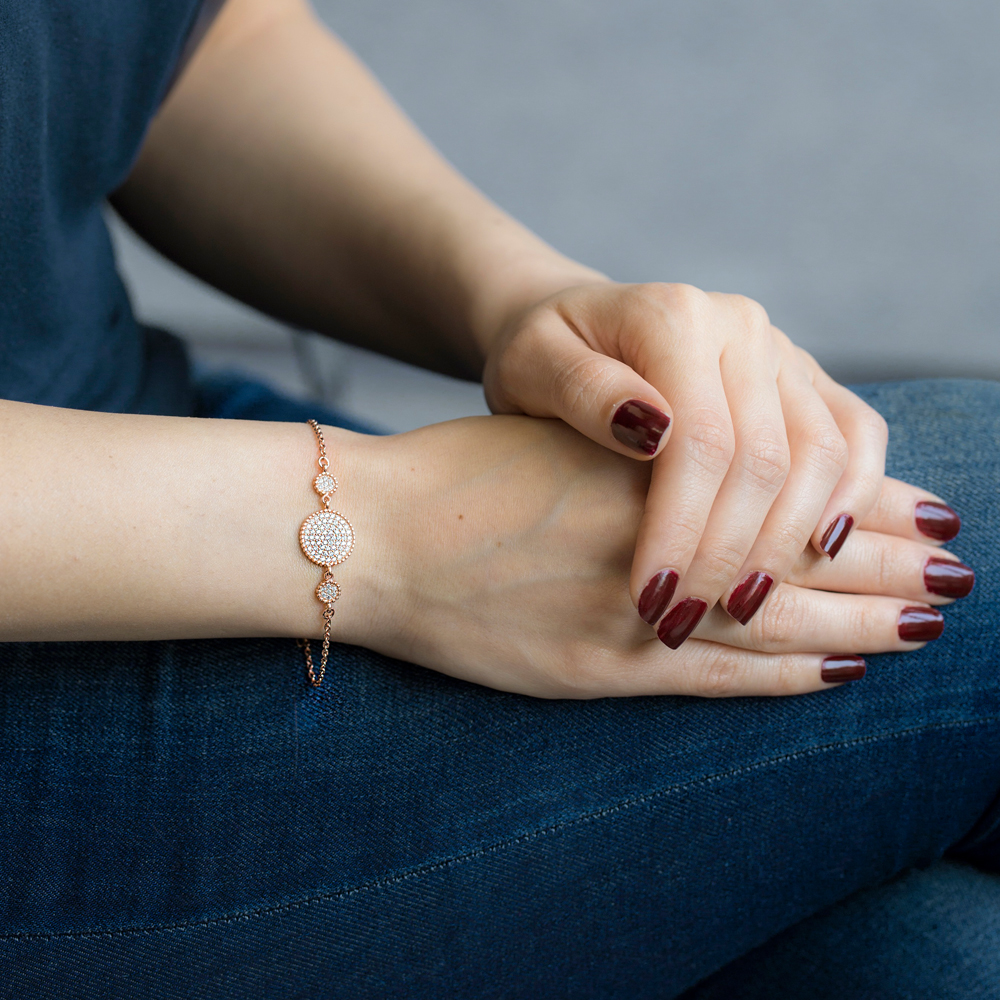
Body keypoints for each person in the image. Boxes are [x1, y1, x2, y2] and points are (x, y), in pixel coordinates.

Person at [0, 0, 995, 997]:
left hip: (181, 442)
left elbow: (185, 39)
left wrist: (520, 299)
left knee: (941, 959)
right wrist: (391, 530)